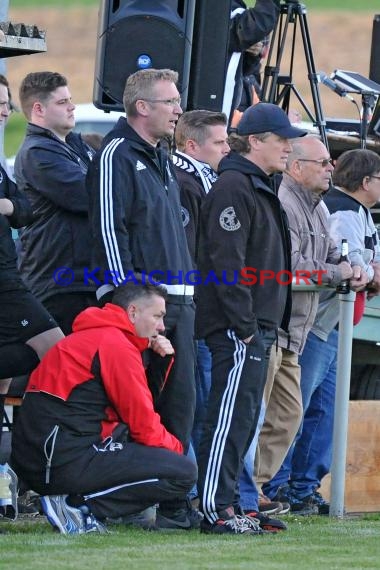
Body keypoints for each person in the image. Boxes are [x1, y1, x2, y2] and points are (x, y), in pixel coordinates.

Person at [87, 68, 197, 529]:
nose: (178, 110)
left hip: (178, 303)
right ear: (141, 107)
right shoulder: (116, 155)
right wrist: (134, 308)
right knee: (139, 407)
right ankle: (122, 503)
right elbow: (111, 233)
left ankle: (171, 500)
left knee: (179, 405)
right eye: (170, 102)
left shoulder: (160, 157)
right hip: (145, 308)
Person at [194, 102, 307, 535]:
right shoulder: (234, 188)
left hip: (255, 326)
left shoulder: (258, 185)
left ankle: (234, 505)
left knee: (242, 419)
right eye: (282, 141)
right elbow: (227, 264)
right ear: (256, 141)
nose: (289, 149)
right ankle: (214, 509)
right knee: (227, 418)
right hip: (237, 328)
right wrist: (243, 327)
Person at [10, 280, 198, 534]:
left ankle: (79, 505)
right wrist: (176, 453)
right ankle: (78, 507)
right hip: (60, 460)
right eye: (158, 316)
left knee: (149, 449)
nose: (162, 326)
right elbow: (144, 425)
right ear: (133, 312)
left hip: (43, 457)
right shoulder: (115, 345)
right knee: (182, 472)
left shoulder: (96, 336)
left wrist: (157, 360)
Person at [263, 148, 380, 513]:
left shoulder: (329, 207)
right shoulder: (341, 210)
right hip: (315, 326)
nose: (329, 167)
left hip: (329, 325)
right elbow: (347, 264)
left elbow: (349, 261)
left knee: (319, 410)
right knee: (294, 410)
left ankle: (300, 487)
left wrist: (360, 271)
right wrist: (360, 273)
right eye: (322, 162)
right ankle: (279, 486)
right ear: (365, 182)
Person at [253, 135, 355, 514]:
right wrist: (338, 273)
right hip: (275, 326)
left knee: (287, 416)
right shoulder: (284, 203)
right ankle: (245, 489)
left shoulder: (320, 207)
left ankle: (256, 487)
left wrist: (350, 267)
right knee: (258, 414)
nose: (331, 168)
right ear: (297, 168)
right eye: (323, 162)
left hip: (297, 331)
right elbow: (290, 271)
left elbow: (332, 252)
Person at [0, 75, 64, 514]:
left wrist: (6, 206)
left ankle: (19, 474)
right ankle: (36, 467)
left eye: (6, 104)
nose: (5, 111)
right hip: (8, 283)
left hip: (9, 275)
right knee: (59, 352)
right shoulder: (34, 153)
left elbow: (22, 209)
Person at [14, 71, 97, 335]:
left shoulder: (75, 145)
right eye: (62, 102)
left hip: (81, 280)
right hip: (59, 282)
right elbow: (92, 195)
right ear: (38, 109)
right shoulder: (38, 152)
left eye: (70, 100)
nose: (72, 107)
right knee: (57, 368)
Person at [225, 0, 281, 124]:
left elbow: (244, 72)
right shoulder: (222, 9)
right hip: (219, 115)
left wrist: (251, 55)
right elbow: (254, 27)